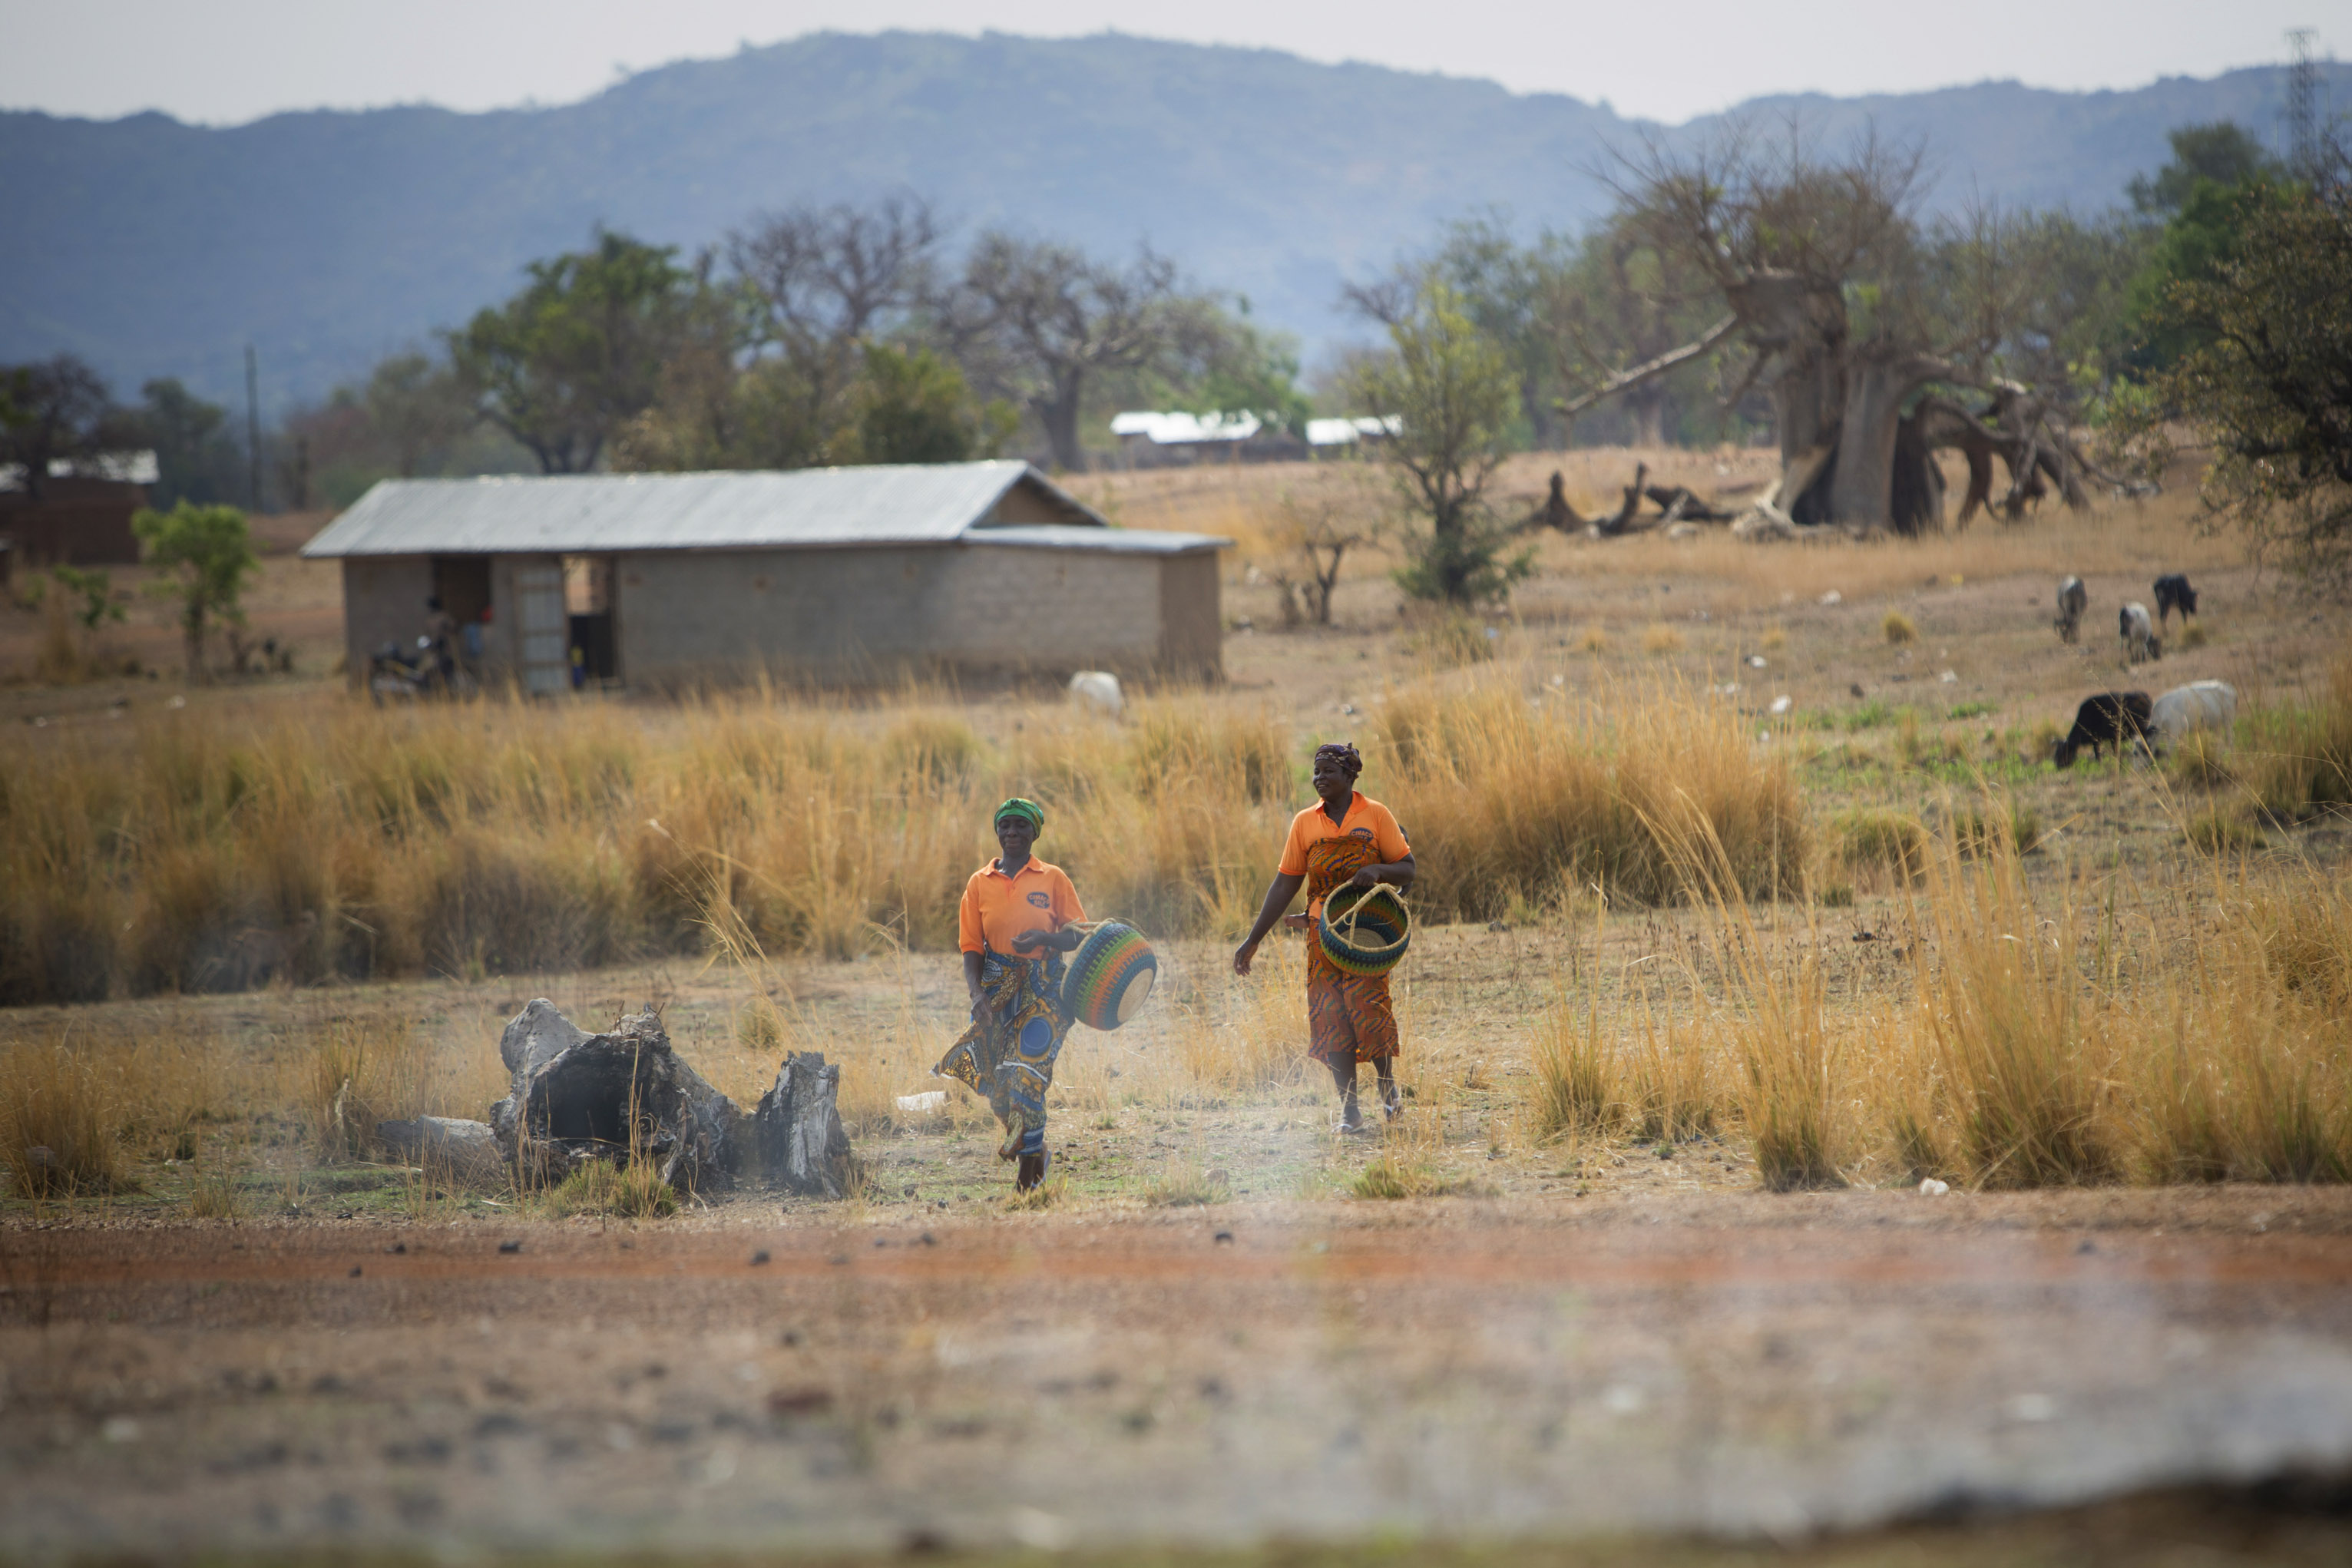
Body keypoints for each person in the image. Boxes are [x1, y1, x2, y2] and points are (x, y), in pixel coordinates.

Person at [1232, 743, 1415, 1132]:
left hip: (1366, 936)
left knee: (1369, 1007)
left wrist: (1379, 870)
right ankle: (1349, 1112)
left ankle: (1388, 1093)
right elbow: (1285, 884)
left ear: (1350, 776)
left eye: (1328, 772)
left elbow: (1408, 870)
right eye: (1316, 773)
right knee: (1331, 1016)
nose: (1319, 779)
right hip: (1322, 936)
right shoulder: (1304, 822)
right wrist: (1253, 940)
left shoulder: (1376, 815)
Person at [933, 797, 1086, 1191]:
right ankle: (1036, 1155)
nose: (1013, 833)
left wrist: (1045, 938)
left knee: (1027, 1074)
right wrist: (976, 995)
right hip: (995, 992)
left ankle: (1026, 1181)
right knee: (998, 1087)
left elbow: (1076, 934)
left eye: (1021, 826)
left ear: (1035, 833)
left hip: (1046, 990)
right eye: (1006, 826)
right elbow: (971, 947)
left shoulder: (1053, 878)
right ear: (997, 831)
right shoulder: (979, 882)